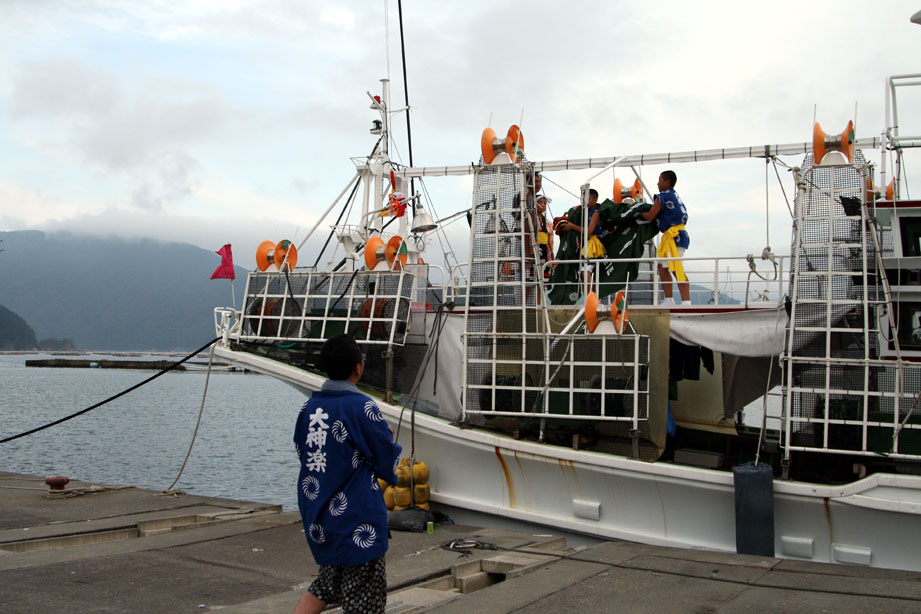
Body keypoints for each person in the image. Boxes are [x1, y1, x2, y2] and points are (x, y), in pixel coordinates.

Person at [293, 334, 402, 614]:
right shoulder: (363, 407)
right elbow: (385, 458)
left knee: (327, 584)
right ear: (358, 368)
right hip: (357, 520)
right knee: (364, 598)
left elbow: (302, 450)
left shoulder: (309, 408)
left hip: (318, 516)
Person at [642, 170, 690, 305]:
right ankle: (669, 299)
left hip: (675, 236)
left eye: (660, 180)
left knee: (675, 268)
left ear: (667, 182)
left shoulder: (663, 196)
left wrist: (638, 212)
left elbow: (651, 215)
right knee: (662, 268)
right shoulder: (674, 195)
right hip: (676, 235)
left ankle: (686, 301)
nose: (657, 184)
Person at [556, 188, 604, 291]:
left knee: (586, 271)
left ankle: (590, 298)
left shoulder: (595, 213)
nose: (583, 200)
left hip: (592, 244)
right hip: (585, 244)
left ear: (594, 199)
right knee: (583, 273)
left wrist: (572, 226)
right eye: (582, 198)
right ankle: (588, 298)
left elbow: (589, 231)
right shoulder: (584, 212)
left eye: (587, 198)